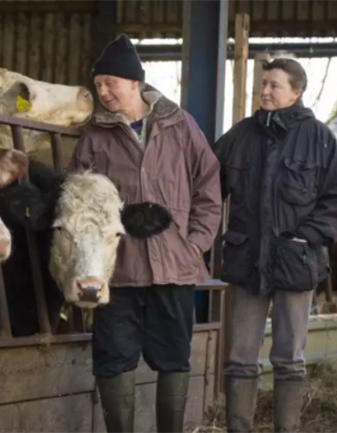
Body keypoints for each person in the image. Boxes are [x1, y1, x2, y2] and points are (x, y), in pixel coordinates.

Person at [68, 34, 222, 433]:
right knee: (113, 358)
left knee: (173, 356)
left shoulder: (179, 125)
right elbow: (77, 200)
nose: (102, 92)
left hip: (174, 265)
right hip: (117, 271)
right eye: (98, 84)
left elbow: (208, 184)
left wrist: (197, 242)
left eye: (110, 83)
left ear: (135, 83)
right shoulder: (95, 136)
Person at [214, 58, 337, 433]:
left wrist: (306, 235)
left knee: (289, 358)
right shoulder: (241, 135)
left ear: (296, 91)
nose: (264, 91)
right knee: (240, 358)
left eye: (273, 85)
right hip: (247, 260)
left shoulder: (320, 138)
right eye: (262, 84)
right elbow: (207, 183)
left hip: (295, 260)